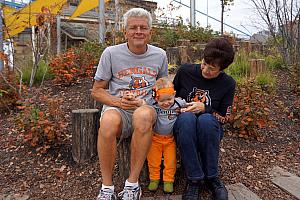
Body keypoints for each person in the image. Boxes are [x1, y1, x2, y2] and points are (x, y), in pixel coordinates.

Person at [91, 8, 168, 200]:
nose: (138, 32)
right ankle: (107, 187)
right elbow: (96, 90)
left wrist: (155, 98)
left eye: (143, 27)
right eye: (133, 27)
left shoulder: (160, 55)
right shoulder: (111, 53)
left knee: (143, 115)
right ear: (125, 32)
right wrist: (118, 102)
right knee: (108, 120)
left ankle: (132, 184)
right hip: (118, 108)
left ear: (150, 32)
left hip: (145, 110)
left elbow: (163, 87)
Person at [173, 38, 236, 200]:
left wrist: (205, 108)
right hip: (183, 125)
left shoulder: (228, 83)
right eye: (204, 63)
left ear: (222, 69)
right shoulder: (185, 71)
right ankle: (194, 179)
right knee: (187, 119)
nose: (205, 69)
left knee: (206, 121)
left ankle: (212, 177)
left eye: (212, 68)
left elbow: (225, 117)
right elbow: (170, 98)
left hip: (210, 128)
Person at [145, 77, 186, 193]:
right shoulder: (152, 104)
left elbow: (190, 106)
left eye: (169, 99)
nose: (166, 103)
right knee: (153, 160)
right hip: (155, 139)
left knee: (170, 161)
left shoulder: (178, 103)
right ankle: (154, 179)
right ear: (155, 98)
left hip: (170, 140)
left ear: (174, 94)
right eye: (162, 101)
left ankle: (168, 181)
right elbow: (142, 106)